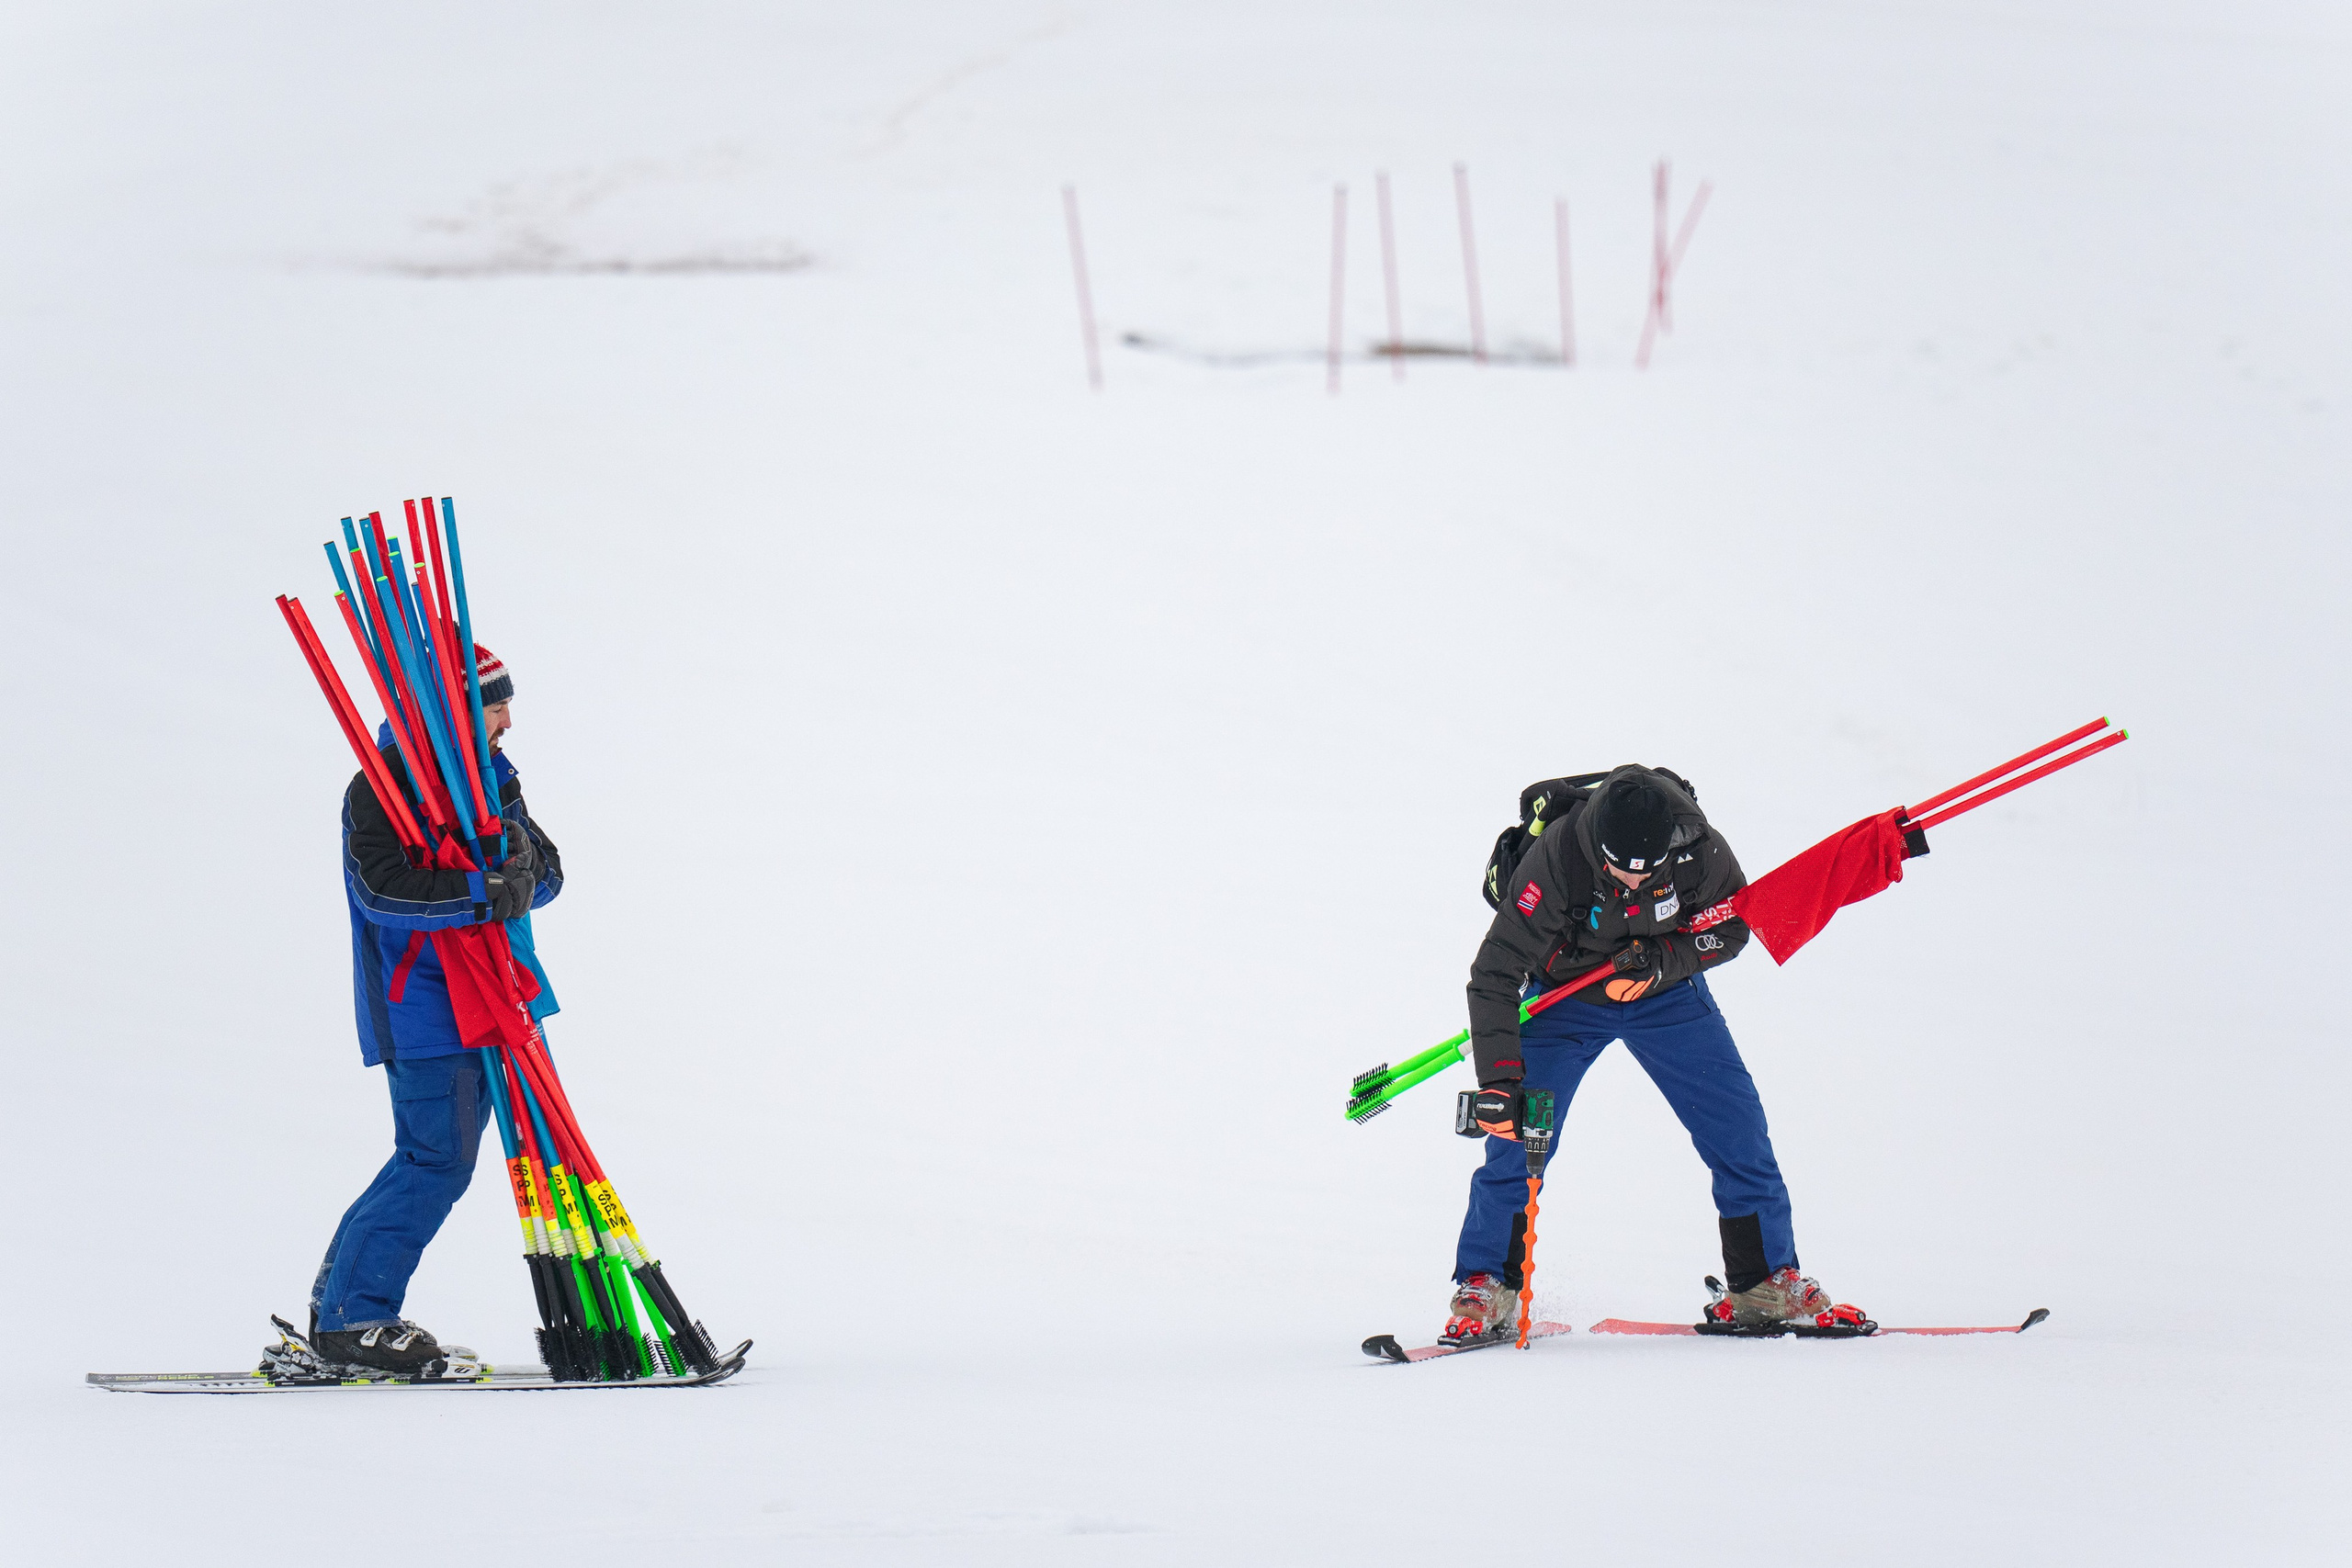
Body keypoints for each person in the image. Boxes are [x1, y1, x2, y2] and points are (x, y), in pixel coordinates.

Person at [1442, 764, 1857, 1344]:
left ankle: (1764, 1283)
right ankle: (1487, 1286)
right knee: (1515, 1138)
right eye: (1619, 870)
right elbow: (1493, 974)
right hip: (1566, 999)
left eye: (1647, 872)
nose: (1633, 882)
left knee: (1736, 1125)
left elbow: (1733, 928)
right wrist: (1501, 1083)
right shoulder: (1557, 861)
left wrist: (1663, 963)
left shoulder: (1699, 850)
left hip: (1664, 993)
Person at [307, 645, 563, 1372]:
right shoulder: (379, 789)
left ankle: (341, 1304)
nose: (508, 718)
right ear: (450, 711)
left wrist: (517, 869)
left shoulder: (493, 778)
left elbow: (549, 872)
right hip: (426, 1007)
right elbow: (379, 892)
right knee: (436, 1158)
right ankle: (353, 1317)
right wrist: (480, 889)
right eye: (493, 703)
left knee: (437, 1157)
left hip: (500, 993)